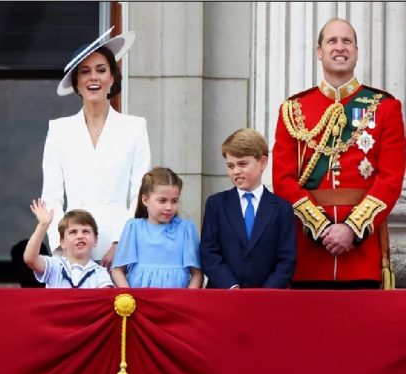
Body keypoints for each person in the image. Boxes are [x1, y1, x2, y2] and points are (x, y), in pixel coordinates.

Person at [272, 18, 406, 289]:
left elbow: (390, 179)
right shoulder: (293, 109)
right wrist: (321, 229)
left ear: (356, 51)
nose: (340, 47)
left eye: (347, 41)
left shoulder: (385, 108)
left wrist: (352, 230)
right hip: (309, 258)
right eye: (332, 41)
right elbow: (283, 180)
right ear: (319, 52)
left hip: (362, 255)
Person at [41, 26, 151, 269]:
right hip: (73, 247)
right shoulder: (59, 130)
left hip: (121, 249)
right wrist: (63, 246)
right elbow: (52, 196)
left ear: (112, 78)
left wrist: (120, 243)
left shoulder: (134, 127)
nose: (93, 77)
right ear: (76, 82)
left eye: (101, 70)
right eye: (85, 72)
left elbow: (140, 193)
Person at [200, 129, 296, 289]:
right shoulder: (216, 204)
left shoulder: (281, 208)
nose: (236, 171)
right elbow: (209, 252)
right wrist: (230, 286)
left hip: (266, 300)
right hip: (224, 296)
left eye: (242, 164)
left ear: (263, 162)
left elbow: (286, 259)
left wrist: (265, 293)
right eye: (230, 166)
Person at [111, 167, 203, 288]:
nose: (169, 207)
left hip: (176, 302)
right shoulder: (134, 228)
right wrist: (129, 296)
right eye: (162, 201)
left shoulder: (186, 229)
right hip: (140, 301)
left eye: (174, 201)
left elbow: (197, 274)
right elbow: (118, 270)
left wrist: (186, 300)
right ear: (145, 200)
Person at [23, 199, 113, 288]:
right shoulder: (54, 265)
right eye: (73, 232)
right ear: (62, 242)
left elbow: (105, 298)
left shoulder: (100, 273)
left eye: (85, 231)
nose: (80, 236)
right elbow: (30, 259)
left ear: (95, 240)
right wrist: (43, 225)